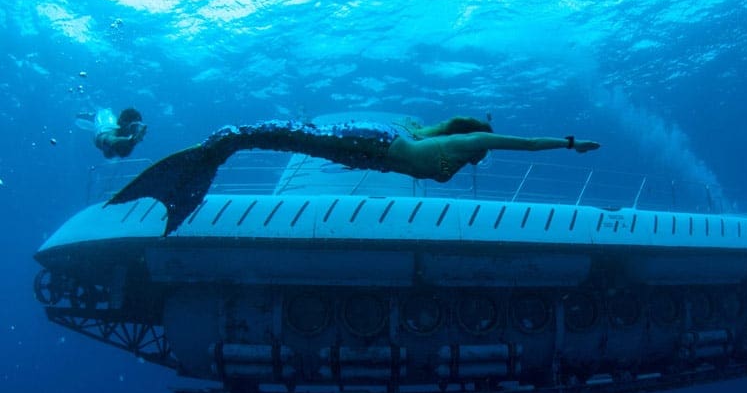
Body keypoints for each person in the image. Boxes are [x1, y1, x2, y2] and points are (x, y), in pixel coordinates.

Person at [107, 116, 601, 235]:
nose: (482, 157)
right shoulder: (470, 143)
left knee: (289, 136)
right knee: (280, 136)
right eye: (482, 148)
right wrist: (573, 144)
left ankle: (206, 161)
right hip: (376, 145)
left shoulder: (444, 141)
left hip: (375, 151)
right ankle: (209, 153)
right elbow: (528, 144)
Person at [78, 107, 148, 159]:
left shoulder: (122, 133)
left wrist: (133, 141)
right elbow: (111, 141)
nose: (134, 131)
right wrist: (133, 141)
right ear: (122, 123)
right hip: (98, 116)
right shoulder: (108, 131)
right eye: (133, 127)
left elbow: (122, 152)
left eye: (137, 127)